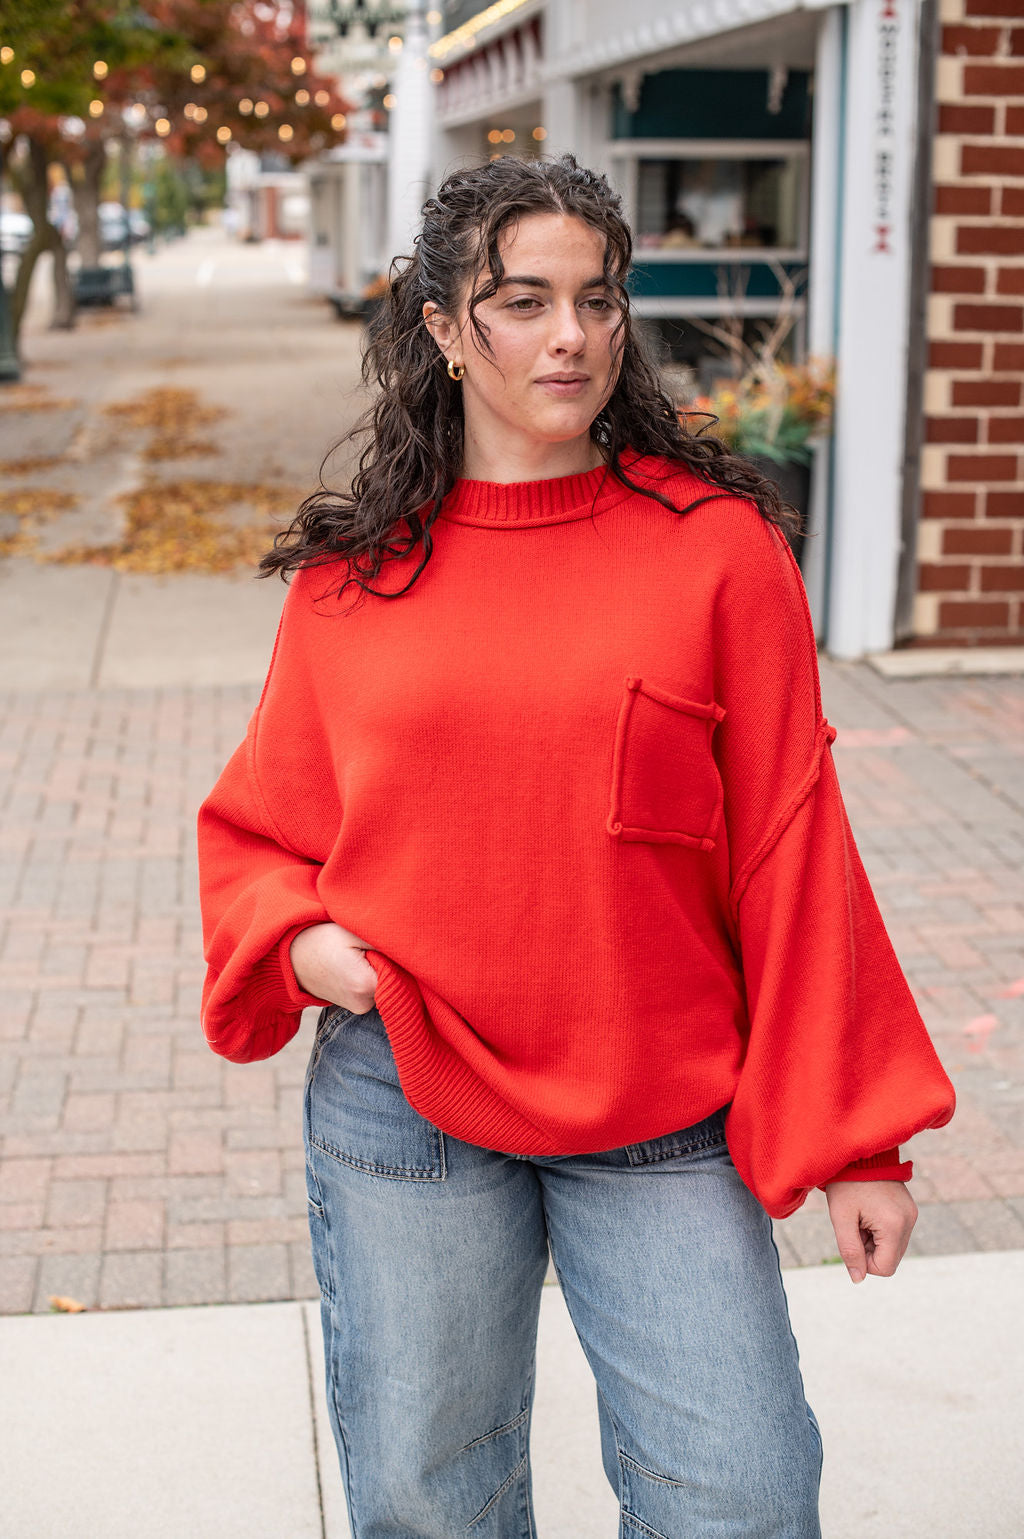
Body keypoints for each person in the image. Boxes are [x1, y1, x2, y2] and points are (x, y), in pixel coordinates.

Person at [196, 154, 955, 1539]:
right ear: (440, 327)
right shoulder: (351, 583)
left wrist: (863, 1145)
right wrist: (305, 947)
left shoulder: (718, 552)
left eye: (598, 301)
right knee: (434, 1500)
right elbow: (262, 828)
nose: (571, 337)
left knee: (739, 1494)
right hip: (407, 1099)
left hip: (662, 1112)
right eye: (525, 301)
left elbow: (792, 848)